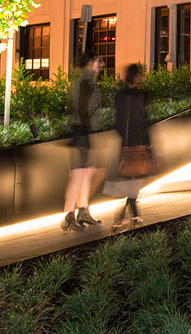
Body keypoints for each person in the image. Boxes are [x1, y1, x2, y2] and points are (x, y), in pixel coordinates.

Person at [106, 62, 157, 232]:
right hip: (137, 143)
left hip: (124, 145)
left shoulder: (119, 97)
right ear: (136, 77)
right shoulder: (137, 97)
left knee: (131, 183)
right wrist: (148, 142)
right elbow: (140, 121)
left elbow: (118, 122)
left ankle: (130, 217)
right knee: (133, 184)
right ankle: (123, 218)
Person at [62, 56, 106, 231]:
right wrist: (88, 131)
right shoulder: (84, 82)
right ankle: (69, 215)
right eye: (98, 61)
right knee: (79, 173)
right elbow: (82, 109)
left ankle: (83, 210)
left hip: (85, 132)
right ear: (89, 63)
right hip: (82, 132)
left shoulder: (87, 82)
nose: (102, 64)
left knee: (88, 172)